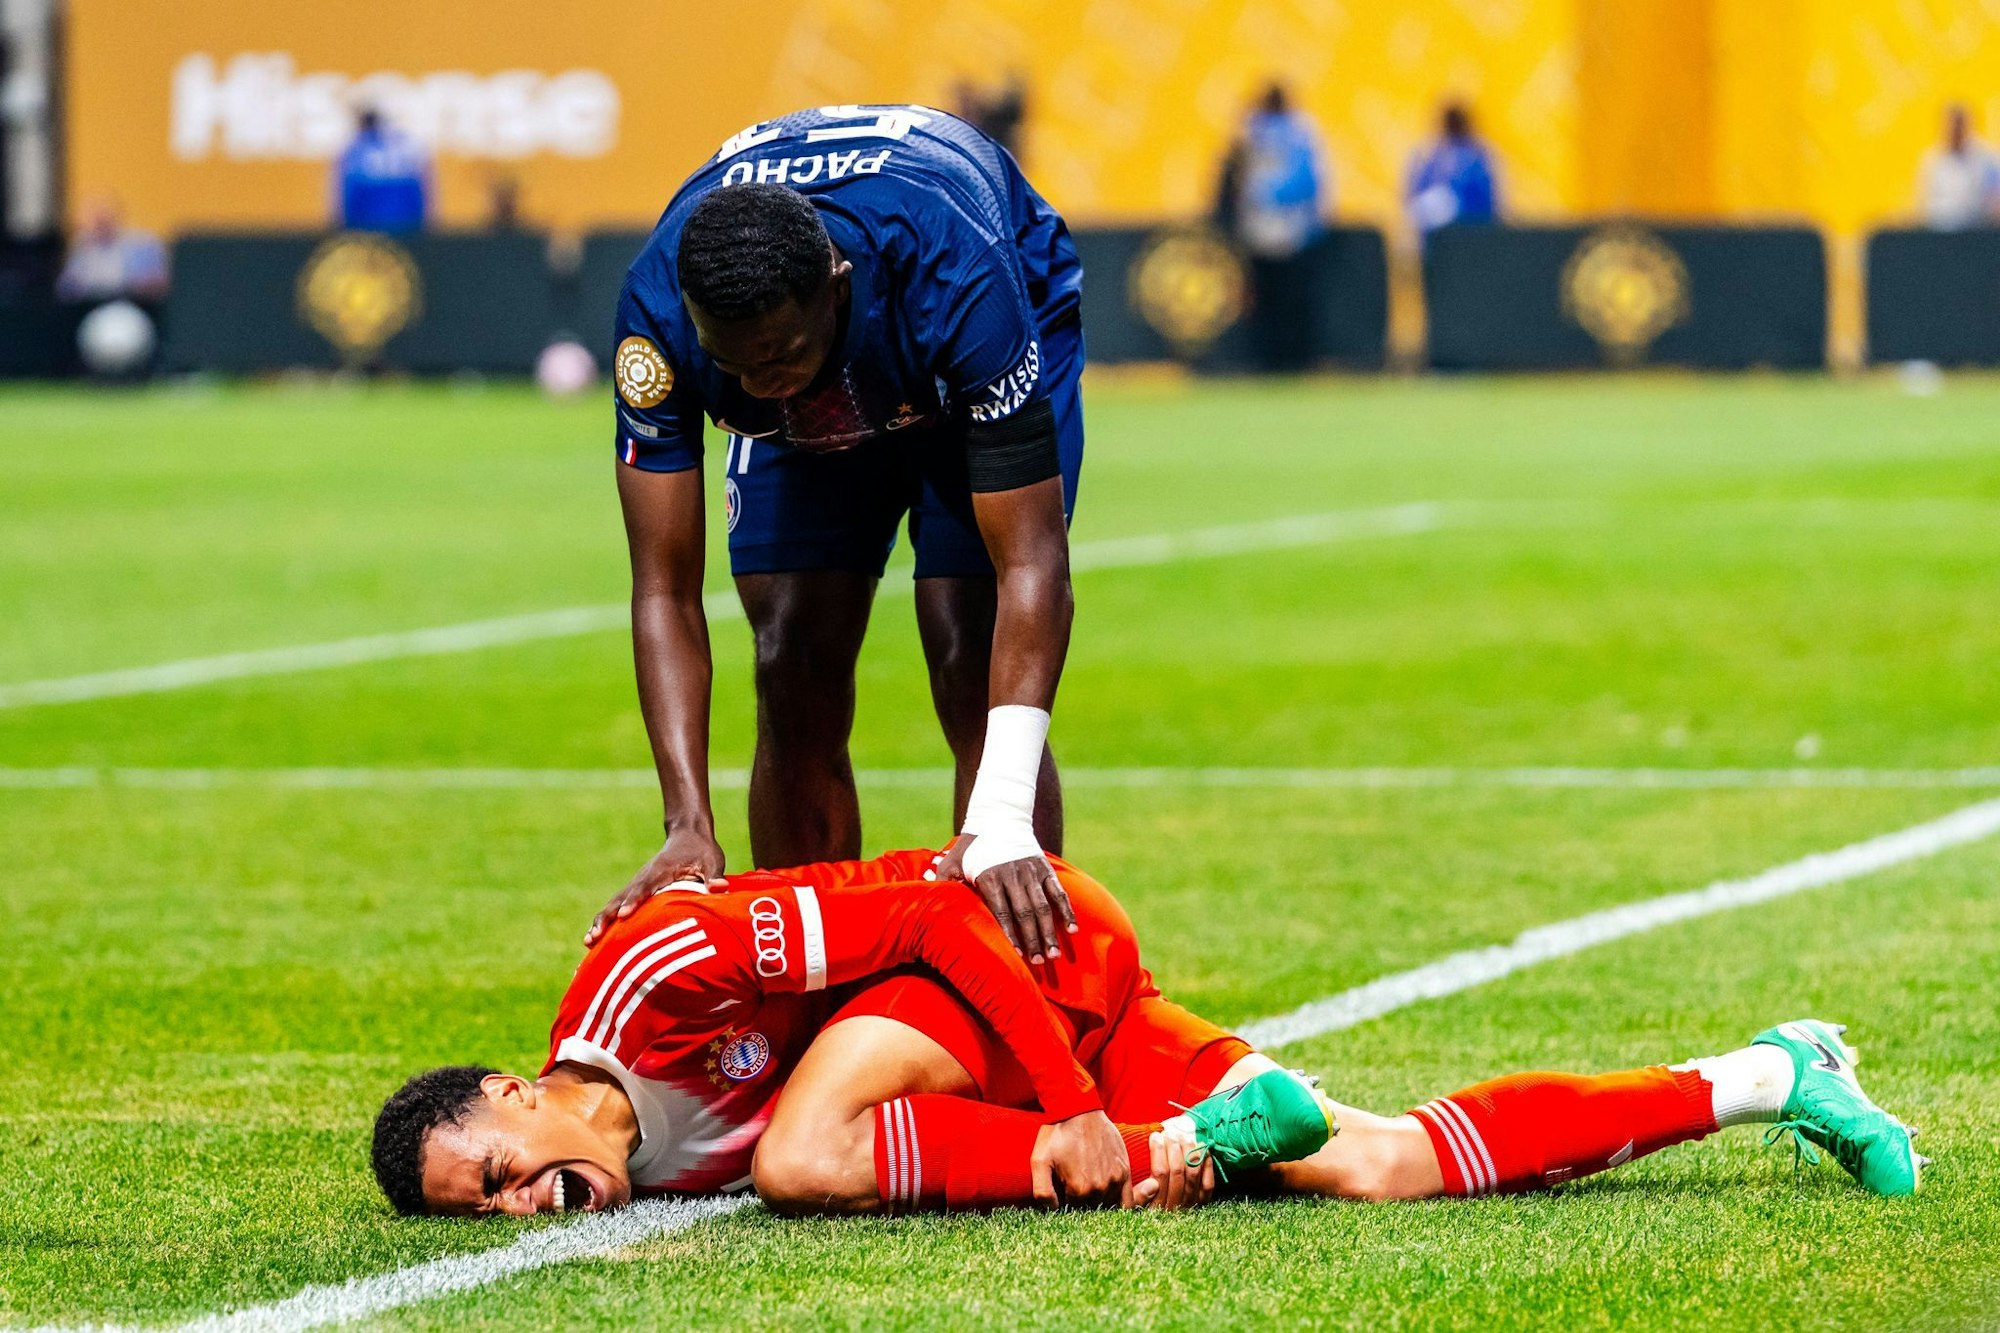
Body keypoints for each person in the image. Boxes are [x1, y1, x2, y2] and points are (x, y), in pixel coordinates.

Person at [372, 849, 1925, 1218]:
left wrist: (1075, 1108)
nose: (528, 1202)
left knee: (800, 1153)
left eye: (501, 1169)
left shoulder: (657, 975)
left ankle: (1172, 1144)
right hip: (982, 1040)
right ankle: (1770, 1071)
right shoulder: (637, 1154)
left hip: (1021, 950)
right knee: (1370, 1160)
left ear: (523, 1089)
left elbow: (931, 915)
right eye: (493, 1212)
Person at [594, 106, 1086, 964]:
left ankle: (1021, 989)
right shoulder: (660, 320)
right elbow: (664, 587)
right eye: (739, 365)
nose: (765, 381)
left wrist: (1003, 812)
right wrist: (687, 824)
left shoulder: (956, 270)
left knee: (968, 644)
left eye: (780, 353)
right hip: (838, 362)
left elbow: (1032, 562)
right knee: (791, 656)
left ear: (835, 278)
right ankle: (816, 994)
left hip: (957, 338)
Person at [1224, 82, 1328, 373]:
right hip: (1294, 231)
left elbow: (1232, 180)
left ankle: (1267, 361)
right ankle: (1295, 360)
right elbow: (1311, 181)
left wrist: (1259, 195)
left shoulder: (1250, 131)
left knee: (1265, 302)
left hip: (1260, 229)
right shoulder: (1301, 131)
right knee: (1292, 302)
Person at [1406, 101, 1500, 239]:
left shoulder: (1480, 158)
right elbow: (1414, 205)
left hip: (1473, 236)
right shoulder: (1428, 157)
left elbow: (1492, 205)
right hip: (1440, 241)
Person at [334, 107, 431, 234]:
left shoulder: (355, 147)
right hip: (405, 223)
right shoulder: (409, 146)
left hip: (367, 225)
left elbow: (346, 193)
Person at [55, 197, 169, 304]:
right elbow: (65, 289)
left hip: (132, 306)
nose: (102, 224)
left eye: (106, 218)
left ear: (118, 217)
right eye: (96, 220)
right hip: (89, 309)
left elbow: (160, 284)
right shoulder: (82, 249)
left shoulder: (143, 245)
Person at [1917, 103, 2000, 230]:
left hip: (1976, 232)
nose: (1954, 130)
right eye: (1951, 125)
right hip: (1940, 232)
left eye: (1959, 124)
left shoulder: (1987, 159)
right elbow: (1924, 204)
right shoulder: (1932, 160)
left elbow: (1994, 199)